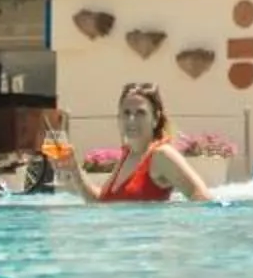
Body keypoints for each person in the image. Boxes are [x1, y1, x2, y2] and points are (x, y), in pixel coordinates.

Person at [51, 83, 215, 204]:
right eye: (126, 113)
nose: (131, 120)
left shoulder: (161, 155)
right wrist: (75, 170)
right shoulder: (128, 153)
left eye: (140, 113)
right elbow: (102, 204)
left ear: (156, 118)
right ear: (119, 117)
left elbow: (202, 198)